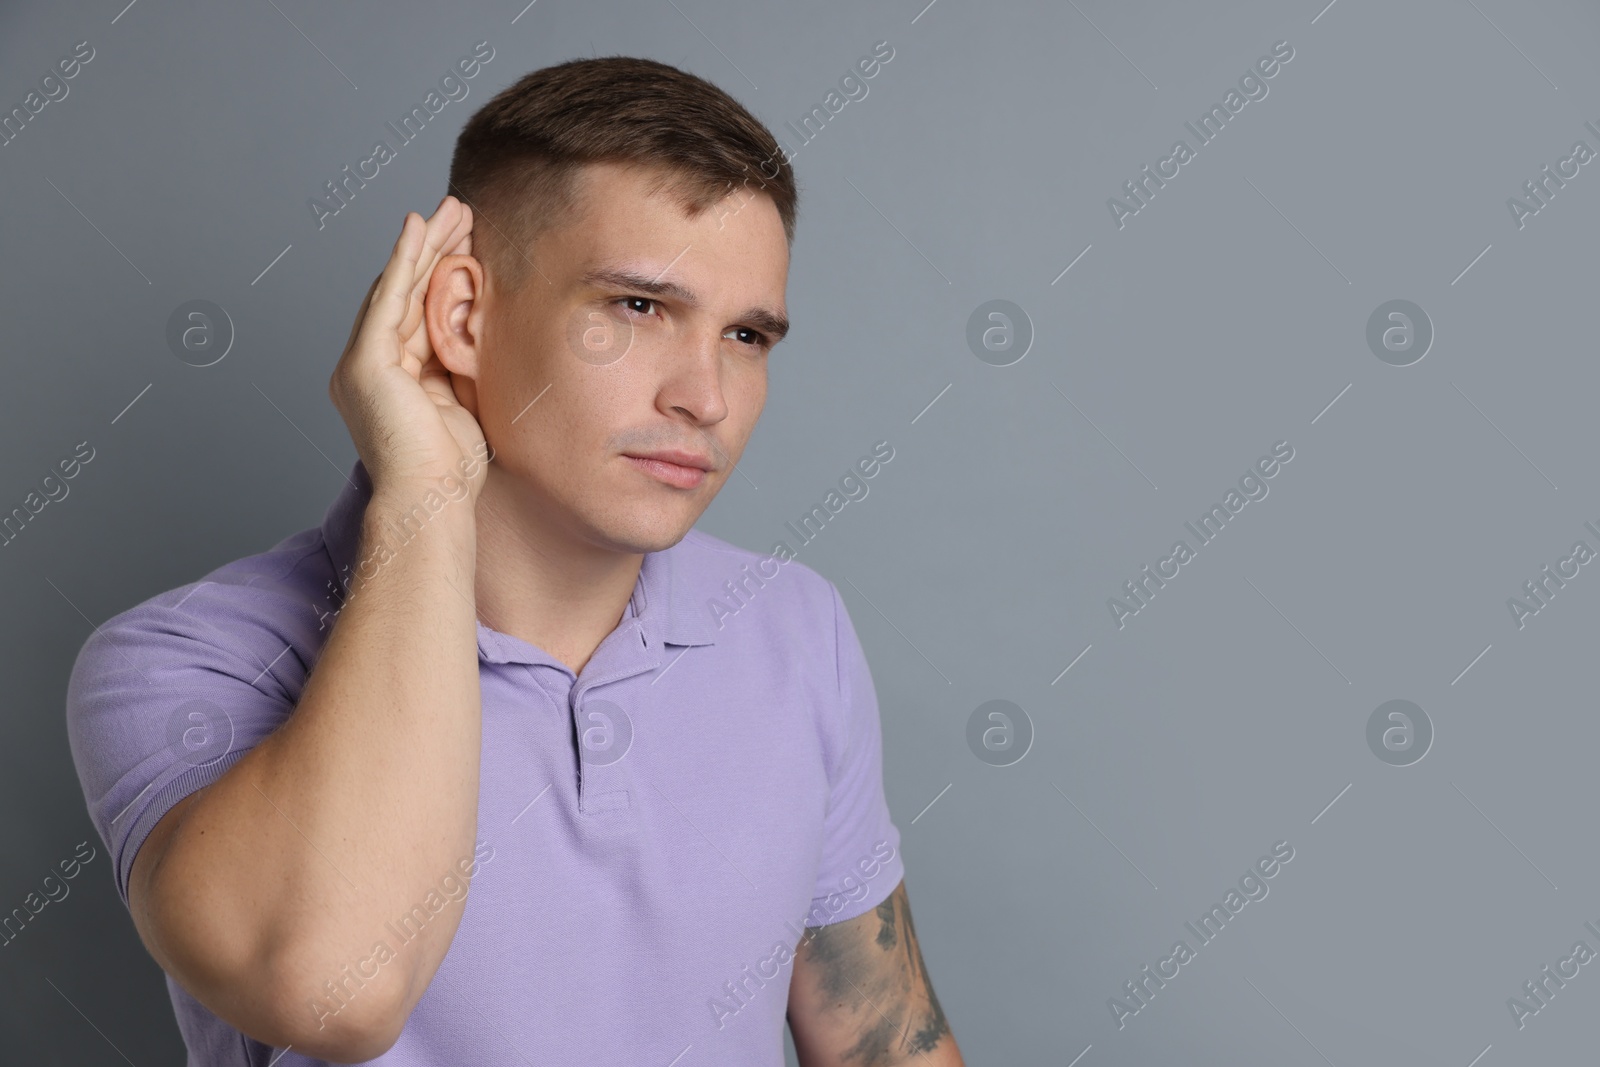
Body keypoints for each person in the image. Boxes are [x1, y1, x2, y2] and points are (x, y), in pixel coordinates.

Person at [63, 55, 962, 1066]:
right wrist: (423, 493)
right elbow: (331, 991)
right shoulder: (187, 661)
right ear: (460, 316)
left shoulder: (794, 626)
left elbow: (887, 1041)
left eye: (747, 333)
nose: (705, 396)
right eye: (637, 306)